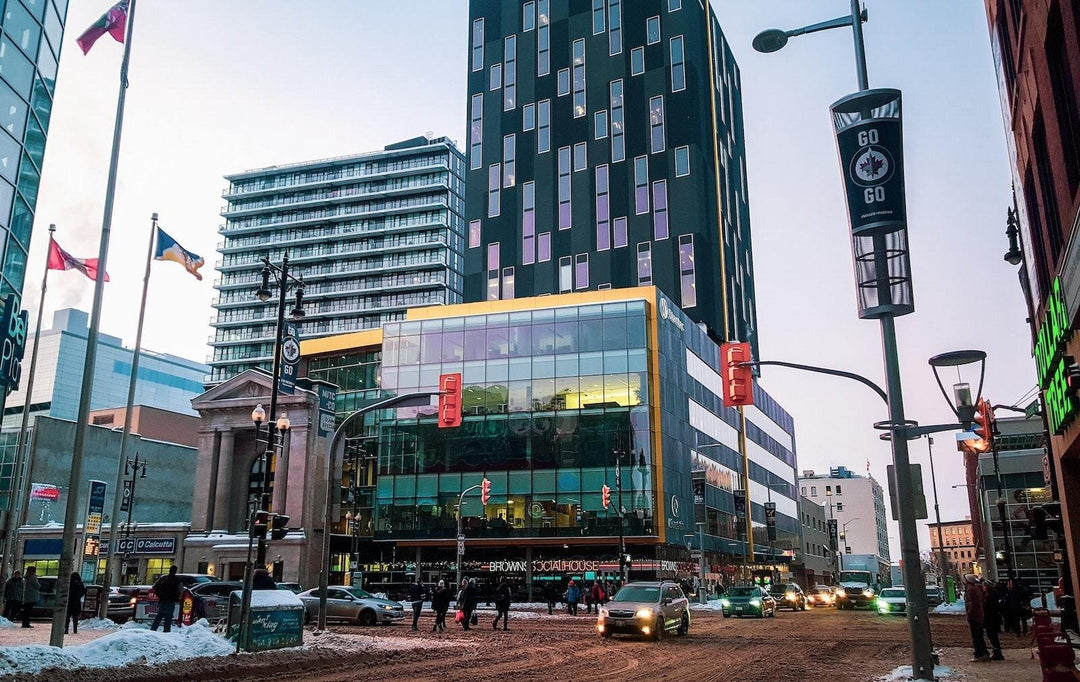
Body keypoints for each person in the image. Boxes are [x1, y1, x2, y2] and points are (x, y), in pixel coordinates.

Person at [963, 574, 989, 662]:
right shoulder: (977, 588)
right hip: (979, 615)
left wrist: (969, 613)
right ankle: (983, 653)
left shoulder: (970, 590)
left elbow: (972, 603)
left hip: (974, 616)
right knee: (979, 635)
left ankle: (979, 654)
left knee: (976, 636)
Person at [150, 566, 183, 632]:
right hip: (171, 600)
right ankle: (166, 630)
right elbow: (180, 590)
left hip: (162, 599)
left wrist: (159, 594)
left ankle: (153, 629)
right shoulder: (177, 580)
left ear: (169, 570)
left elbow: (154, 587)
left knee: (160, 615)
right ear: (175, 571)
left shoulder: (163, 578)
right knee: (168, 616)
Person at [982, 580, 1004, 661]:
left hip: (991, 619)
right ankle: (997, 652)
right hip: (992, 618)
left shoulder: (990, 596)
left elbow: (989, 608)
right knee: (993, 636)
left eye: (984, 586)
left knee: (993, 636)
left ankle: (997, 653)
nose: (983, 588)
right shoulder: (991, 595)